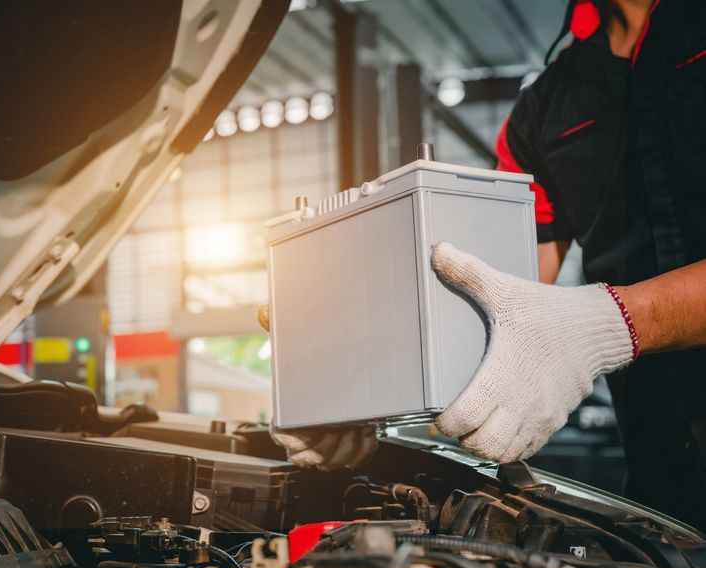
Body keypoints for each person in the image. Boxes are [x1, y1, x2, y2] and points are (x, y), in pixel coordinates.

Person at [269, 0, 706, 531]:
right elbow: (504, 299)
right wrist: (358, 384)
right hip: (663, 482)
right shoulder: (542, 109)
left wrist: (612, 321)